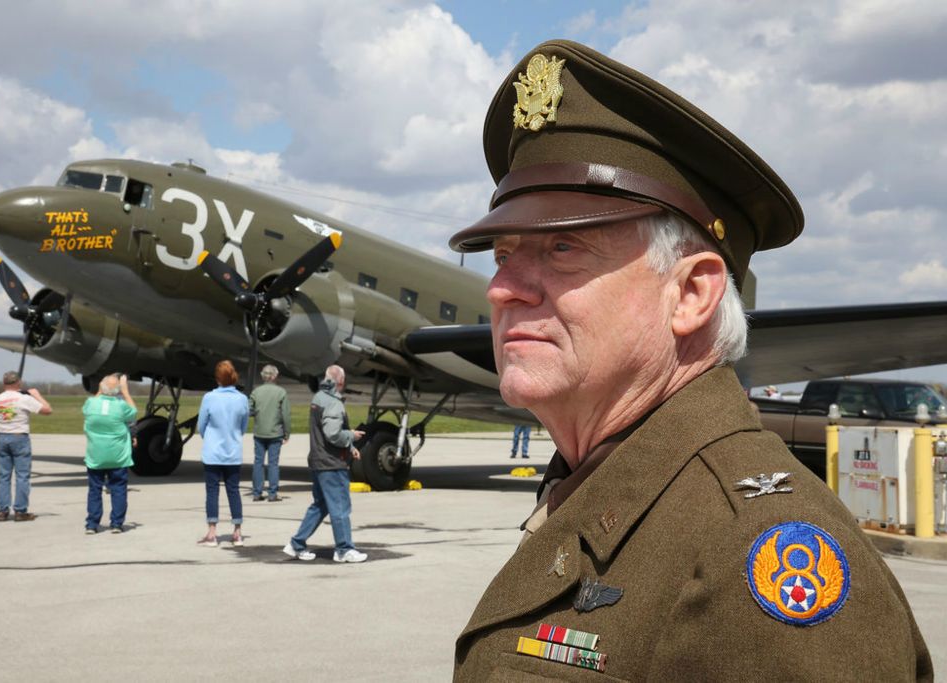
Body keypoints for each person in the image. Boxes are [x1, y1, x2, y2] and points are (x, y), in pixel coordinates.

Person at [448, 40, 930, 681]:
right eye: (504, 254)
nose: (502, 289)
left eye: (562, 248)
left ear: (692, 293)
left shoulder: (761, 552)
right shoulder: (607, 486)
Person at [283, 365, 367, 563]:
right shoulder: (333, 403)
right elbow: (332, 434)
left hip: (319, 460)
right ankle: (344, 549)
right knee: (340, 507)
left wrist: (350, 446)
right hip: (332, 464)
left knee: (320, 506)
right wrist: (351, 435)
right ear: (341, 381)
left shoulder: (318, 398)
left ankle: (296, 544)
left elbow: (324, 432)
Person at [196, 360, 249, 547]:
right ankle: (237, 532)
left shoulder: (210, 397)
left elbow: (201, 425)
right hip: (233, 451)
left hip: (213, 452)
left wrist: (209, 437)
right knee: (233, 491)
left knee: (212, 491)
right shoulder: (242, 399)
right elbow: (243, 426)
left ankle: (212, 533)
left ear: (218, 378)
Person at [0, 371, 52, 522]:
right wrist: (36, 395)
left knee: (4, 476)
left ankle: (2, 511)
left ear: (4, 384)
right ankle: (20, 510)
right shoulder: (24, 399)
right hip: (19, 437)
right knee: (22, 476)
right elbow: (48, 410)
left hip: (2, 437)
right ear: (19, 383)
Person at [82, 374, 137, 534]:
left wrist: (100, 388)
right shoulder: (121, 406)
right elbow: (133, 412)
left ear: (101, 388)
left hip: (96, 456)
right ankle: (117, 524)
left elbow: (92, 403)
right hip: (118, 456)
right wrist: (125, 391)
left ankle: (92, 524)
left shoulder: (90, 404)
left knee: (94, 490)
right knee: (118, 489)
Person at [249, 364, 291, 502]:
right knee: (273, 463)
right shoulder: (281, 392)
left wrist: (258, 413)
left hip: (259, 432)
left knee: (258, 462)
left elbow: (249, 410)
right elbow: (285, 414)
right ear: (274, 376)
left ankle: (257, 492)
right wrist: (287, 432)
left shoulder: (256, 392)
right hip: (275, 433)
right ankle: (272, 493)